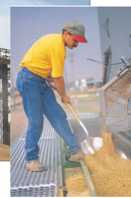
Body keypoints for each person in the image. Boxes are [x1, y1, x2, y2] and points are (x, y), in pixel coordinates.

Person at [16, 20, 87, 172]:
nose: (76, 44)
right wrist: (64, 95)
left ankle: (76, 151)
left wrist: (46, 76)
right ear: (66, 33)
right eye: (75, 40)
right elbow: (59, 78)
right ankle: (31, 159)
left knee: (58, 115)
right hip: (28, 80)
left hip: (39, 80)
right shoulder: (59, 48)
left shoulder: (54, 41)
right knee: (36, 121)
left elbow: (42, 61)